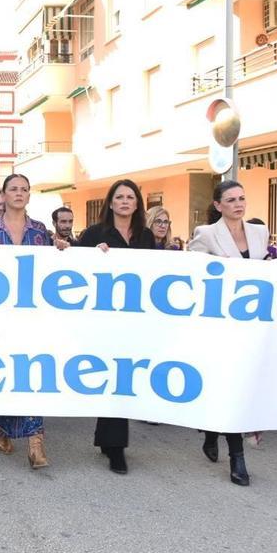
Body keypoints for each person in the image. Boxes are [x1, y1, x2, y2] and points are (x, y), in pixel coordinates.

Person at [0, 174, 69, 469]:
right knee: (1, 372)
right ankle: (2, 429)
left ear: (29, 196)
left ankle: (36, 442)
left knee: (32, 372)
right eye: (13, 189)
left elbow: (53, 269)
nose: (19, 193)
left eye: (24, 189)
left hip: (32, 315)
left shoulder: (40, 231)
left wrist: (61, 250)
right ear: (3, 195)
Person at [186, 180, 270, 486]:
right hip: (219, 327)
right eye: (231, 199)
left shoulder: (260, 232)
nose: (238, 204)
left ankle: (211, 431)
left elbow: (269, 270)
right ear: (218, 205)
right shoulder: (206, 234)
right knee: (228, 385)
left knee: (241, 387)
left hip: (251, 325)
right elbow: (193, 276)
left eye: (242, 198)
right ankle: (237, 457)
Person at [77, 179, 156, 474]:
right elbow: (73, 270)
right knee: (111, 377)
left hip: (135, 318)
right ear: (110, 203)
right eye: (119, 197)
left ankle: (110, 441)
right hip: (103, 319)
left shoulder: (146, 236)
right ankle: (115, 446)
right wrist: (93, 257)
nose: (125, 201)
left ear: (137, 204)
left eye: (130, 197)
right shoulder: (94, 234)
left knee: (125, 378)